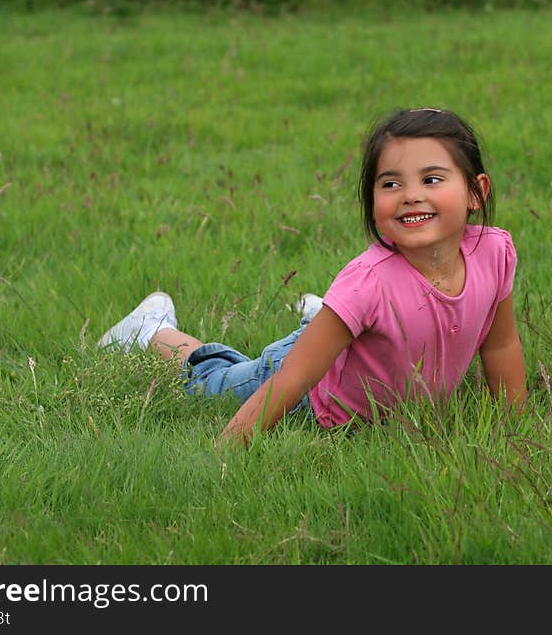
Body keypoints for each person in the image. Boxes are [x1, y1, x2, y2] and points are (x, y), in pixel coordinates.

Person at [99, 107, 527, 446]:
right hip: (310, 390)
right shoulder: (371, 282)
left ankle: (328, 322)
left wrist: (513, 432)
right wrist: (224, 458)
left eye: (432, 179)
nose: (411, 194)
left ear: (476, 192)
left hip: (346, 342)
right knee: (217, 382)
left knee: (333, 329)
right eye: (390, 184)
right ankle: (148, 331)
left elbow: (501, 343)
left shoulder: (493, 252)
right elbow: (294, 378)